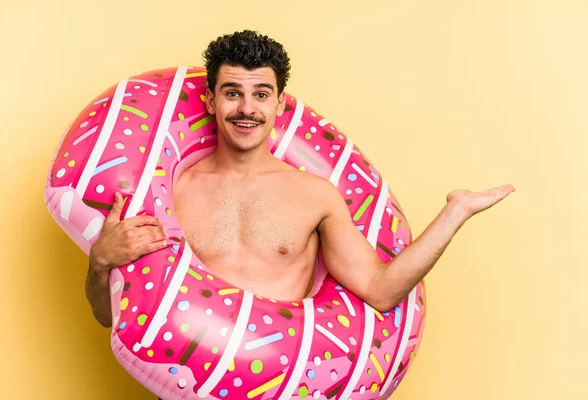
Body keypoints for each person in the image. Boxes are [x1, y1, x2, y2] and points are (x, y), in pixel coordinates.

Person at [86, 30, 515, 328]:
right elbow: (111, 317)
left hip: (279, 380)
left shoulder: (314, 196)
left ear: (279, 103)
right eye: (232, 92)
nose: (246, 108)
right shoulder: (171, 192)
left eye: (261, 94)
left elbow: (381, 290)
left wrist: (455, 212)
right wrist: (100, 263)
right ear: (210, 99)